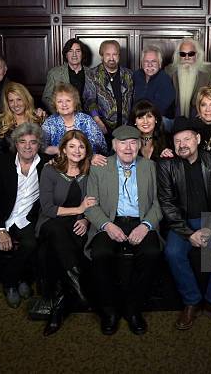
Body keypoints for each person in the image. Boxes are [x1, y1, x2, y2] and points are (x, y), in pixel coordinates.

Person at [157, 117, 211, 330]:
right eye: (177, 141)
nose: (182, 144)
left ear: (198, 139)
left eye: (187, 139)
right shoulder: (166, 166)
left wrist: (210, 228)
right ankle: (191, 301)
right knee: (172, 252)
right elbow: (167, 204)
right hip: (181, 223)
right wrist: (188, 233)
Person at [84, 126, 162, 336]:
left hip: (141, 219)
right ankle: (109, 311)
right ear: (114, 145)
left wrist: (146, 226)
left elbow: (158, 203)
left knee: (152, 252)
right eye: (122, 143)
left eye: (133, 142)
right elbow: (90, 205)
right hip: (110, 219)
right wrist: (107, 226)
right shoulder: (100, 167)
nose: (128, 147)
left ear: (139, 145)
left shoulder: (150, 166)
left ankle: (133, 309)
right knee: (100, 253)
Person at [35, 130, 96, 336]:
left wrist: (86, 219)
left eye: (81, 146)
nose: (77, 151)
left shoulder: (91, 172)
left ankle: (58, 307)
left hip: (78, 225)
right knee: (56, 230)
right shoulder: (50, 171)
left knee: (52, 251)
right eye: (72, 146)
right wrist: (79, 210)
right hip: (51, 222)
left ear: (86, 150)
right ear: (63, 149)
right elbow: (48, 209)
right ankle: (78, 282)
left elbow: (95, 202)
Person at [0, 123, 44, 309]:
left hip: (28, 219)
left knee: (31, 244)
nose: (28, 146)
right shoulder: (1, 164)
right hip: (3, 217)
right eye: (22, 142)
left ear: (39, 144)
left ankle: (10, 282)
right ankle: (15, 280)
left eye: (33, 142)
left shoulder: (47, 165)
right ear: (16, 143)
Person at [41, 83, 107, 156]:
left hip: (87, 161)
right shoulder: (50, 122)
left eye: (68, 101)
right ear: (55, 106)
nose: (64, 105)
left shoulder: (86, 120)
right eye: (60, 101)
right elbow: (40, 146)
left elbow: (101, 146)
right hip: (60, 163)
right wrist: (58, 149)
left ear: (75, 104)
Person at [88, 40, 133, 137]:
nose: (111, 58)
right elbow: (90, 101)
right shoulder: (92, 74)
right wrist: (98, 122)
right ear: (102, 56)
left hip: (125, 128)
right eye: (108, 54)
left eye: (115, 54)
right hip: (103, 128)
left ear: (119, 56)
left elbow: (133, 99)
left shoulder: (128, 74)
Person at [164, 38, 211, 119]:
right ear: (178, 56)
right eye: (182, 54)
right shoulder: (169, 71)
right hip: (174, 117)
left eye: (191, 54)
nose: (186, 57)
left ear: (197, 55)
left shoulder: (209, 71)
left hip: (200, 117)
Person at [41, 39, 97, 113]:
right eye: (70, 51)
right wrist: (59, 113)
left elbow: (96, 100)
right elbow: (46, 98)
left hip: (88, 117)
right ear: (66, 55)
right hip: (62, 116)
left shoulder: (92, 73)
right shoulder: (55, 73)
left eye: (78, 51)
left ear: (82, 54)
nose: (74, 54)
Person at [132, 45, 175, 131]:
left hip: (161, 118)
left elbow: (159, 108)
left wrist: (142, 119)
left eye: (154, 61)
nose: (150, 65)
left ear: (160, 64)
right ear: (141, 63)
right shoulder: (136, 75)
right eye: (146, 61)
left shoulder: (164, 79)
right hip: (139, 117)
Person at [0, 82, 45, 154]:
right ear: (7, 103)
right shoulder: (1, 123)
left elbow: (43, 148)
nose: (16, 105)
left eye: (19, 99)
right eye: (11, 101)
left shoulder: (38, 119)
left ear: (26, 99)